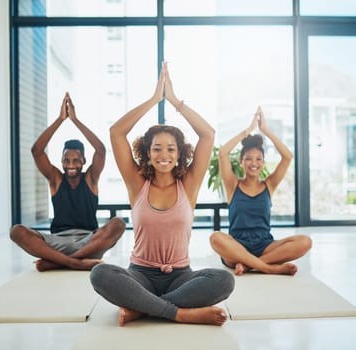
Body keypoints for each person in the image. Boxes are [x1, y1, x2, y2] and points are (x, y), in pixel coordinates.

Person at [90, 62, 234, 327]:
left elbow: (208, 134)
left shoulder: (189, 184)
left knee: (224, 280)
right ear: (147, 153)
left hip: (180, 276)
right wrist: (154, 98)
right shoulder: (137, 183)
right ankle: (178, 313)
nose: (164, 155)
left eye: (170, 149)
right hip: (140, 275)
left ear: (180, 154)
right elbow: (116, 133)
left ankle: (143, 308)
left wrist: (176, 101)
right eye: (157, 149)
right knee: (100, 274)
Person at [10, 92, 126, 272]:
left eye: (76, 160)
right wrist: (60, 119)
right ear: (62, 161)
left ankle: (59, 262)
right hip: (57, 242)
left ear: (83, 162)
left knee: (118, 223)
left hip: (89, 242)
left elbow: (101, 150)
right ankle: (76, 262)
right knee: (16, 231)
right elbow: (37, 151)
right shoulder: (55, 179)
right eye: (66, 160)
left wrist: (75, 120)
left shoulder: (91, 178)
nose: (71, 165)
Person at [210, 106, 312, 276]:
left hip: (265, 247)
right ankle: (269, 268)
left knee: (305, 241)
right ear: (241, 162)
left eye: (258, 159)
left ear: (263, 162)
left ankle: (250, 265)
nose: (253, 163)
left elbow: (287, 156)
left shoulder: (269, 185)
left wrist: (265, 130)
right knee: (216, 238)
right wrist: (248, 130)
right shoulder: (233, 185)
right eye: (248, 158)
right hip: (237, 248)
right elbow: (223, 153)